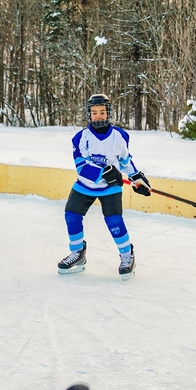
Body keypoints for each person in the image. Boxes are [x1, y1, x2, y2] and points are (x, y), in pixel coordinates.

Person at [57, 93, 151, 278]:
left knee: (114, 221)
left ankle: (127, 255)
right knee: (71, 216)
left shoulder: (119, 136)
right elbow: (81, 166)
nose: (98, 116)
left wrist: (136, 177)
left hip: (111, 187)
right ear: (89, 114)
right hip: (85, 185)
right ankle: (78, 253)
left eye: (102, 112)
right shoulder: (80, 138)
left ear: (108, 113)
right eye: (94, 112)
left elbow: (125, 161)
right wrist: (103, 173)